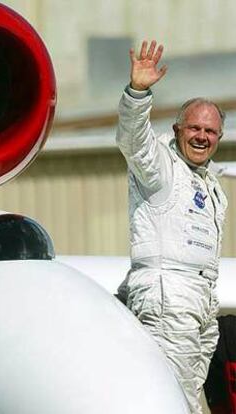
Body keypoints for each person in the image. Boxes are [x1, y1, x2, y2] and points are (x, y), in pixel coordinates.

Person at [116, 40, 228, 414]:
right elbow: (134, 140)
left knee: (188, 401)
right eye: (194, 128)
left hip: (200, 300)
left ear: (219, 138)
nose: (201, 136)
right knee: (169, 402)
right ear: (178, 129)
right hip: (169, 296)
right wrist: (138, 92)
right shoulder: (161, 168)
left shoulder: (211, 184)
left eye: (210, 132)